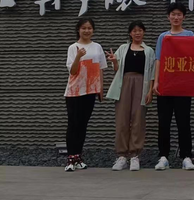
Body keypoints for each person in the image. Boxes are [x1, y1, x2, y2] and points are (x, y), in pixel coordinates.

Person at [106, 20, 156, 171]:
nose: (137, 33)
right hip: (124, 84)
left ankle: (135, 155)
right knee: (122, 120)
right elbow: (117, 69)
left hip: (142, 84)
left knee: (138, 120)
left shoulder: (149, 51)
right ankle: (122, 156)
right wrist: (114, 61)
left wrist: (150, 91)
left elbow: (152, 73)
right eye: (134, 31)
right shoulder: (123, 48)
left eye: (140, 30)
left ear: (144, 32)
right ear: (130, 33)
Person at [153, 2, 194, 171]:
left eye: (179, 14)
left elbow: (193, 57)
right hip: (166, 84)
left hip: (183, 85)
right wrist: (156, 82)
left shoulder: (189, 35)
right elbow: (159, 59)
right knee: (164, 122)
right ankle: (163, 156)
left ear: (183, 17)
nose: (176, 17)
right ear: (168, 17)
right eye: (173, 14)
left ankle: (186, 156)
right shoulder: (163, 37)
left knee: (183, 121)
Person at [64, 18, 107, 172]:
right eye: (84, 28)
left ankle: (78, 157)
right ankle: (71, 158)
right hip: (74, 92)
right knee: (73, 124)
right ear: (78, 30)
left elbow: (100, 69)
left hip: (90, 91)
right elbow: (73, 71)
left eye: (89, 28)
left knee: (82, 125)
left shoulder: (97, 47)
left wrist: (101, 89)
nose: (87, 31)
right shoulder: (73, 47)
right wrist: (78, 56)